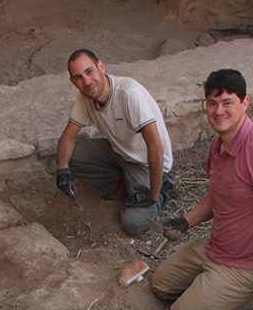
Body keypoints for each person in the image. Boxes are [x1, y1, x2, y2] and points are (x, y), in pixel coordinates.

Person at [151, 69, 253, 310]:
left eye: (227, 102)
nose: (219, 111)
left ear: (244, 103)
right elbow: (220, 193)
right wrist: (186, 222)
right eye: (212, 103)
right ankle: (212, 290)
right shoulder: (218, 144)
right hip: (214, 248)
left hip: (245, 265)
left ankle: (250, 298)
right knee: (160, 285)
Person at [56, 49, 175, 236]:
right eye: (79, 77)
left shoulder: (129, 93)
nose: (87, 82)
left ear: (101, 66)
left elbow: (156, 148)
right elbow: (69, 135)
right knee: (70, 156)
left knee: (133, 223)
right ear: (73, 82)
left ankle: (162, 188)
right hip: (120, 153)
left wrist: (152, 195)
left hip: (145, 163)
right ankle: (126, 183)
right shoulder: (86, 96)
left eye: (90, 72)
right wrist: (63, 169)